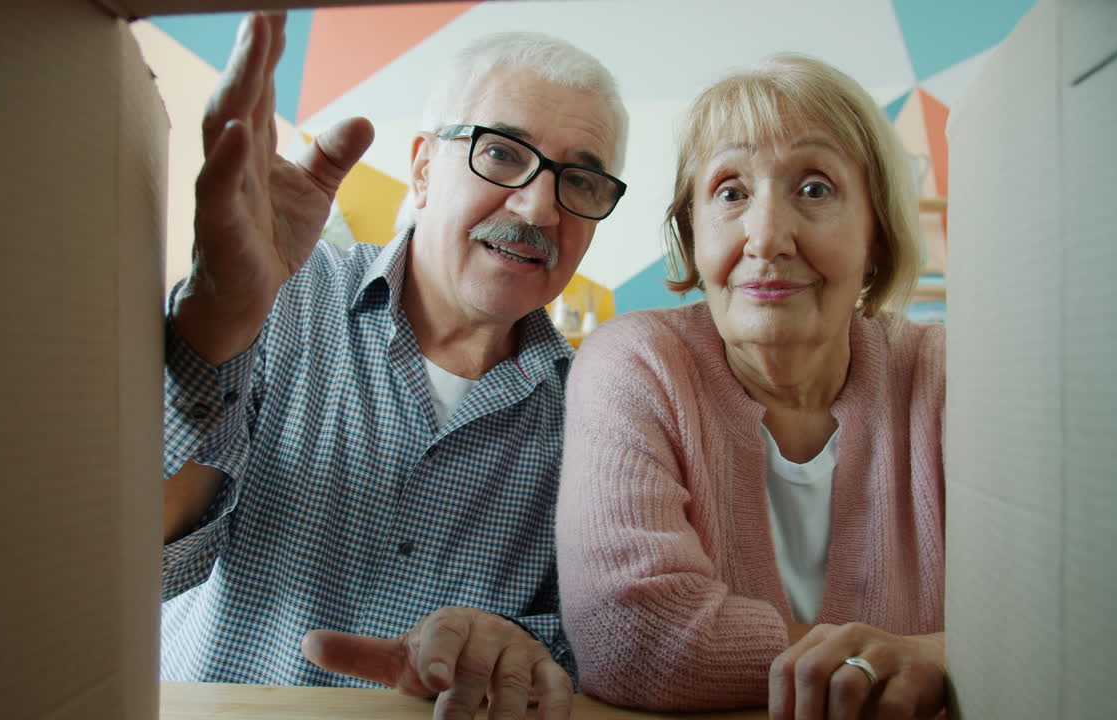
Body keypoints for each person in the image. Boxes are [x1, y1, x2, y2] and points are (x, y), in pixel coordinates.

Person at [161, 12, 628, 718]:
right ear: (422, 169)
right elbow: (135, 559)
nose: (539, 208)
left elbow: (584, 646)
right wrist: (214, 331)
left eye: (582, 181)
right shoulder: (287, 297)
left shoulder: (595, 418)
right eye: (503, 154)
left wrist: (526, 651)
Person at [556, 54, 946, 718]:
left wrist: (935, 658)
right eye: (731, 192)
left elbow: (1054, 615)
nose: (765, 238)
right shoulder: (636, 363)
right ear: (691, 232)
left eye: (815, 189)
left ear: (877, 233)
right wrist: (912, 660)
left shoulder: (944, 374)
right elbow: (631, 636)